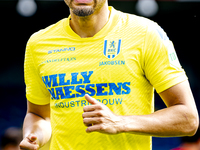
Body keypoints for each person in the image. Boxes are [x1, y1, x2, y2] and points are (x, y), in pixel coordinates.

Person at [19, 0, 199, 150]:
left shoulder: (145, 34)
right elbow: (39, 115)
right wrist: (33, 135)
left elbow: (188, 119)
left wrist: (119, 122)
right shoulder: (38, 44)